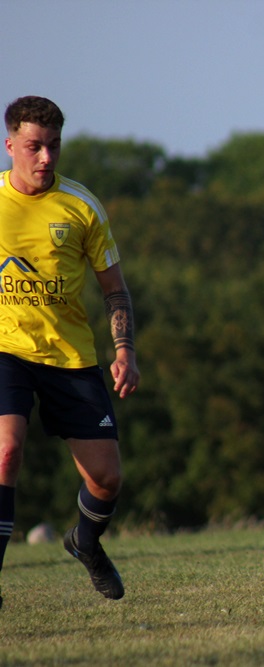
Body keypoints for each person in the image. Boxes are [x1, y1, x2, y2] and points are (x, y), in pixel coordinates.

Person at [0, 96, 140, 608]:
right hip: (6, 351)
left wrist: (124, 351)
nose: (46, 158)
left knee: (106, 479)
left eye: (54, 146)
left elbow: (115, 290)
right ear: (10, 145)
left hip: (70, 357)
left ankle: (84, 541)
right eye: (34, 147)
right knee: (6, 451)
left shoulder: (81, 206)